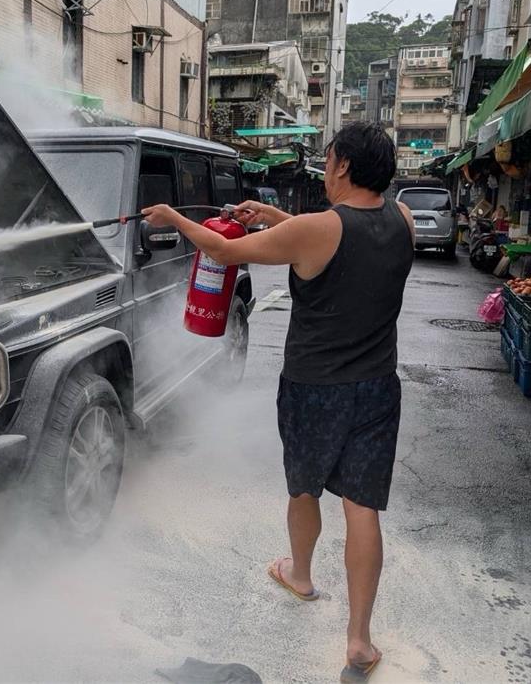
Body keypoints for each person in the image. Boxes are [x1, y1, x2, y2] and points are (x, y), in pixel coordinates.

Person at [142, 121, 415, 684]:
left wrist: (170, 217)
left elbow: (221, 247)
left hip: (315, 388)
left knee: (303, 487)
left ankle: (301, 576)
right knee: (362, 508)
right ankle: (359, 641)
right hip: (377, 386)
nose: (326, 163)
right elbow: (339, 238)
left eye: (330, 155)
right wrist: (275, 219)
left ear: (342, 165)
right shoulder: (404, 220)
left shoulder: (317, 228)